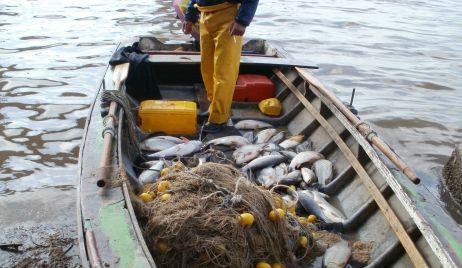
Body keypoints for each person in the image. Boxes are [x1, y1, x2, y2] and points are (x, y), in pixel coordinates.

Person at [183, 0, 259, 133]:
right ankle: (214, 108)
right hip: (204, 16)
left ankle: (219, 118)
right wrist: (190, 16)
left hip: (228, 17)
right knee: (207, 68)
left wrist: (242, 21)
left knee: (224, 71)